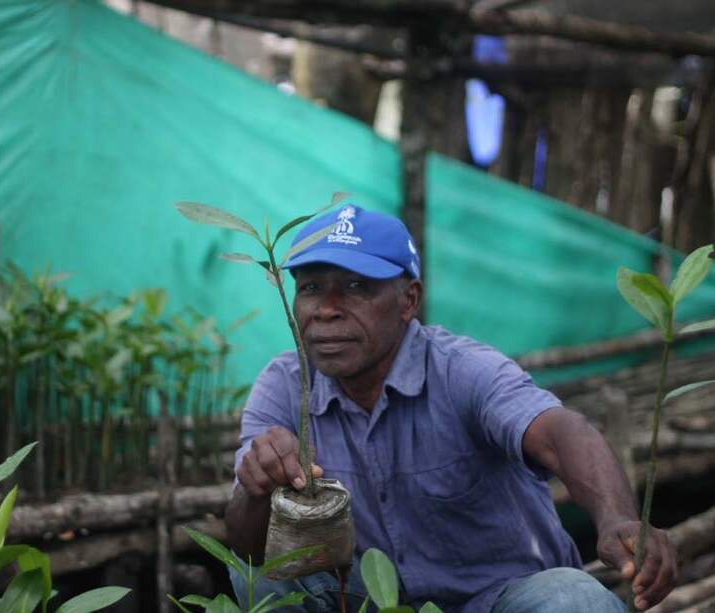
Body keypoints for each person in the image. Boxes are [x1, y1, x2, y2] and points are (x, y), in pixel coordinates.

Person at [225, 205, 677, 612]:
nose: (326, 310)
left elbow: (561, 433)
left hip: (501, 600)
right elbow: (245, 547)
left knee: (575, 601)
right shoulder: (285, 386)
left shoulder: (462, 370)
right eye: (310, 288)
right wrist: (257, 486)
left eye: (356, 286)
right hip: (376, 603)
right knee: (262, 580)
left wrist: (617, 517)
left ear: (408, 301)